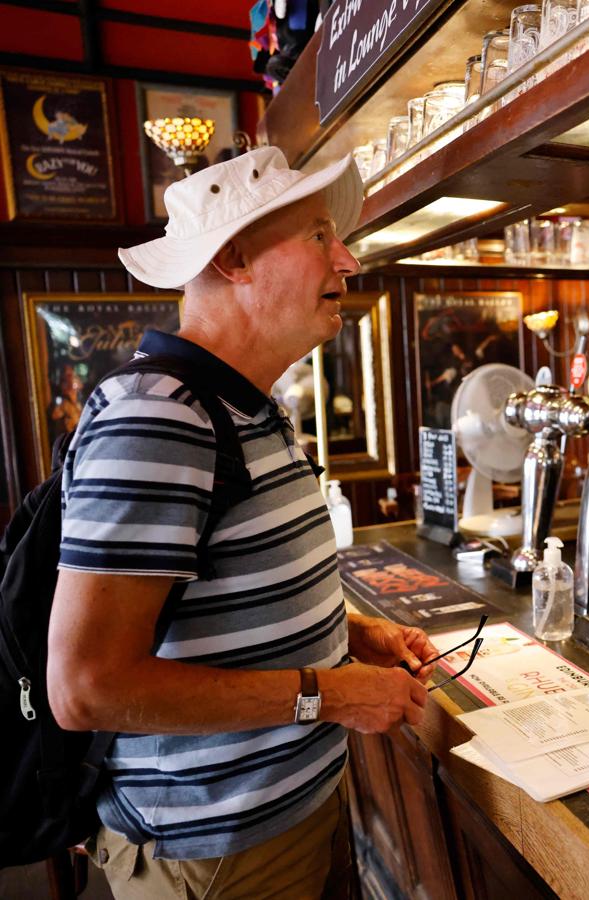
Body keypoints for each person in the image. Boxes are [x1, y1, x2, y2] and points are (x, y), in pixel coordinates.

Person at [46, 146, 442, 898]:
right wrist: (334, 693)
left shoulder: (247, 408)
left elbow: (213, 604)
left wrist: (351, 637)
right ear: (233, 257)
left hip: (282, 821)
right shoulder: (159, 417)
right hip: (211, 852)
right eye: (321, 235)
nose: (349, 260)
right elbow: (87, 686)